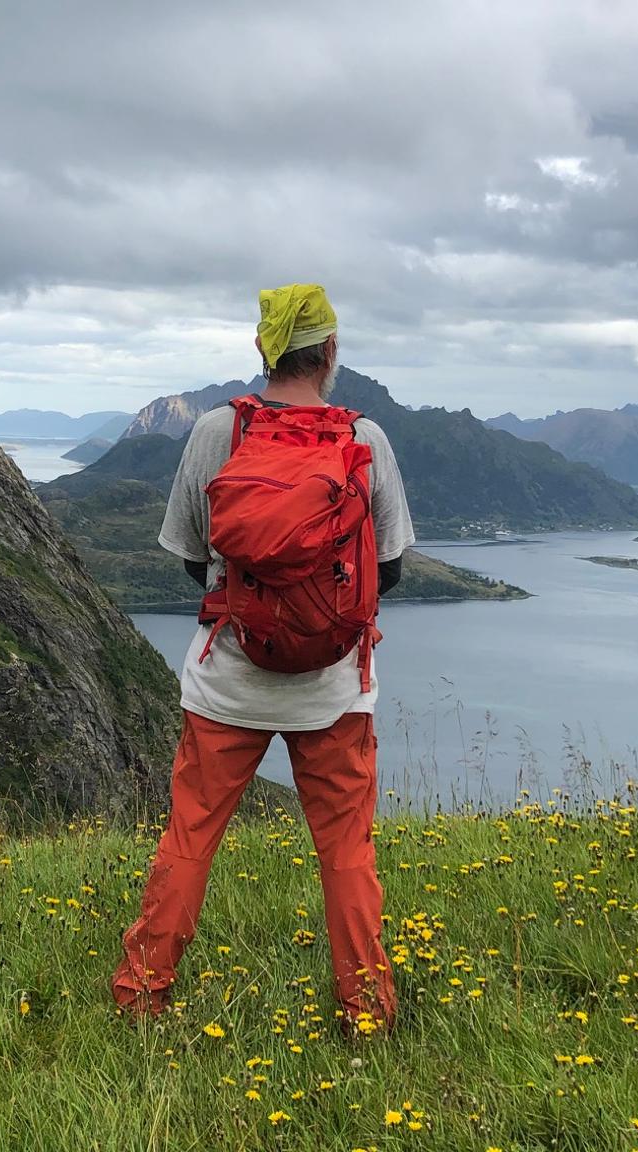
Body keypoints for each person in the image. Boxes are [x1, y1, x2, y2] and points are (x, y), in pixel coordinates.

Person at [112, 285, 413, 1031]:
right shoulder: (365, 440)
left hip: (229, 680)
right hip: (334, 690)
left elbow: (190, 558)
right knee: (345, 853)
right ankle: (366, 1012)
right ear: (331, 353)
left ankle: (142, 996)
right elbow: (394, 567)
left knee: (190, 839)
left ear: (263, 351)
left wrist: (254, 596)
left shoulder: (219, 430)